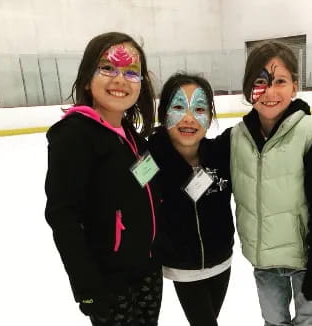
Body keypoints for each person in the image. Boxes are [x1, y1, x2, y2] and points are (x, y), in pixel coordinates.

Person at [215, 41, 312, 326]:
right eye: (261, 82)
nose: (270, 92)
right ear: (249, 89)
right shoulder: (236, 138)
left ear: (294, 86)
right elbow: (197, 160)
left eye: (280, 81)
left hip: (306, 261)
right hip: (265, 261)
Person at [44, 32, 162, 326]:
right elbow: (62, 216)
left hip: (146, 270)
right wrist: (86, 287)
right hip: (109, 281)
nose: (120, 79)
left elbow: (148, 189)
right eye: (107, 68)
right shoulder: (74, 136)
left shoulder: (132, 137)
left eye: (131, 72)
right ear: (87, 78)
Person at [148, 73, 234, 326]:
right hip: (182, 265)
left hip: (221, 260)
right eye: (177, 107)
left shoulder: (220, 153)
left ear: (209, 116)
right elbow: (127, 200)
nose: (189, 118)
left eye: (199, 108)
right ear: (163, 114)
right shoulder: (149, 159)